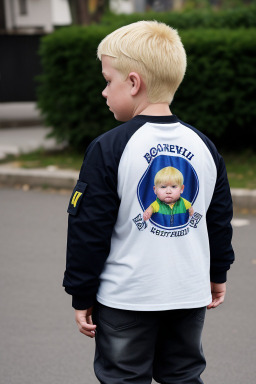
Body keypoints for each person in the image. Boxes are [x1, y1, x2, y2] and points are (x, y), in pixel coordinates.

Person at [63, 21, 234, 384]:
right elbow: (218, 219)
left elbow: (88, 228)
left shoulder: (108, 148)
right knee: (184, 375)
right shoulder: (204, 146)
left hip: (127, 298)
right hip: (188, 294)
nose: (104, 92)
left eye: (109, 81)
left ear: (134, 82)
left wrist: (82, 292)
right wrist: (217, 273)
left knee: (124, 378)